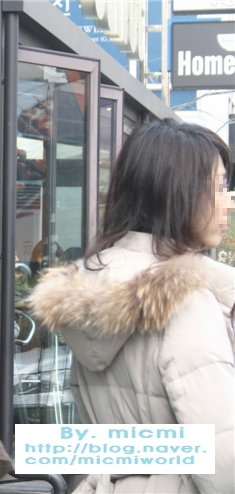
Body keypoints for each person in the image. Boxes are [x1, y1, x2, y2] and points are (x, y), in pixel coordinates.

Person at [28, 119, 234, 494]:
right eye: (219, 186)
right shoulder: (185, 301)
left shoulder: (90, 286)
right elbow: (223, 462)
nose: (229, 202)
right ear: (180, 191)